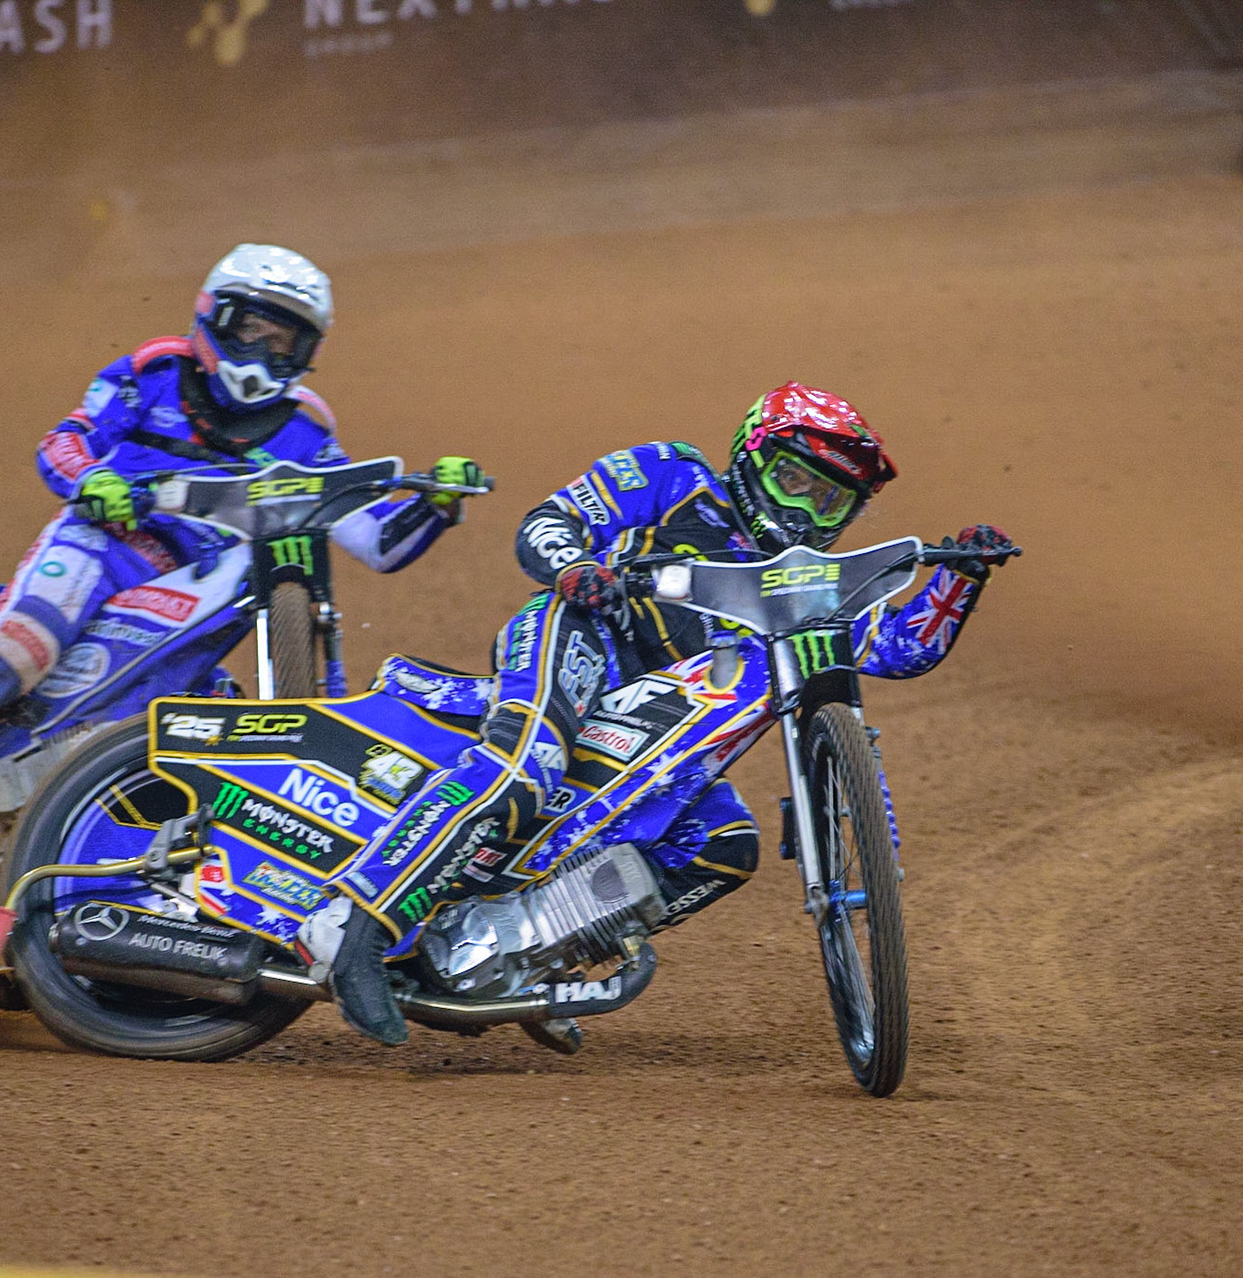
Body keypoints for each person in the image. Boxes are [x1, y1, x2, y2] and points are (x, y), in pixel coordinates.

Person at [296, 381, 1016, 1045]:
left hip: (661, 725)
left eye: (826, 502)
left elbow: (899, 647)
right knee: (530, 764)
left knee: (723, 842)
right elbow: (549, 522)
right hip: (581, 636)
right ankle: (359, 926)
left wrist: (962, 579)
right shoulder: (672, 473)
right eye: (790, 482)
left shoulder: (803, 593)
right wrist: (578, 566)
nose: (801, 509)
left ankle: (524, 957)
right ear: (749, 458)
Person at [0, 244, 485, 867]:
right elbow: (65, 441)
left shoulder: (305, 431)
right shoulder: (154, 372)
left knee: (196, 716)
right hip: (102, 544)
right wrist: (90, 481)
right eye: (254, 329)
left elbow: (375, 540)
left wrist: (437, 504)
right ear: (217, 317)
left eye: (287, 341)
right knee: (27, 638)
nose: (266, 353)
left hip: (187, 586)